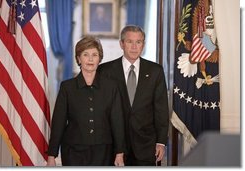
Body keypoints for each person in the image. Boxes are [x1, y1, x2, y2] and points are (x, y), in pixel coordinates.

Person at [47, 36, 125, 166]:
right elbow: (58, 122)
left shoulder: (111, 87)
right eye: (85, 54)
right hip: (73, 151)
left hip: (104, 151)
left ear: (99, 59)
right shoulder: (67, 87)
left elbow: (117, 121)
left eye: (94, 55)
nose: (90, 59)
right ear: (78, 58)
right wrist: (51, 155)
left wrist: (120, 152)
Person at [98, 25, 169, 166]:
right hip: (114, 145)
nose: (134, 47)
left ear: (143, 44)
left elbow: (161, 109)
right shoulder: (105, 71)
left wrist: (161, 142)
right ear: (121, 44)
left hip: (146, 145)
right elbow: (101, 110)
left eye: (139, 42)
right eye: (130, 41)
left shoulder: (155, 71)